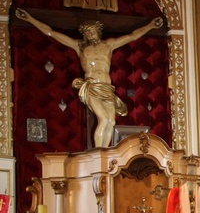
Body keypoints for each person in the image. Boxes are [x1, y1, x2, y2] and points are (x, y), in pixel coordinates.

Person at [15, 8, 163, 148]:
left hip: (107, 88)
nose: (91, 35)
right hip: (91, 87)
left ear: (98, 31)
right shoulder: (80, 46)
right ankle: (99, 153)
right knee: (103, 119)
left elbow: (133, 36)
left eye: (92, 32)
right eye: (87, 33)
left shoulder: (109, 45)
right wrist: (30, 19)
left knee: (111, 121)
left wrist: (150, 26)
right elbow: (51, 33)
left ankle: (104, 152)